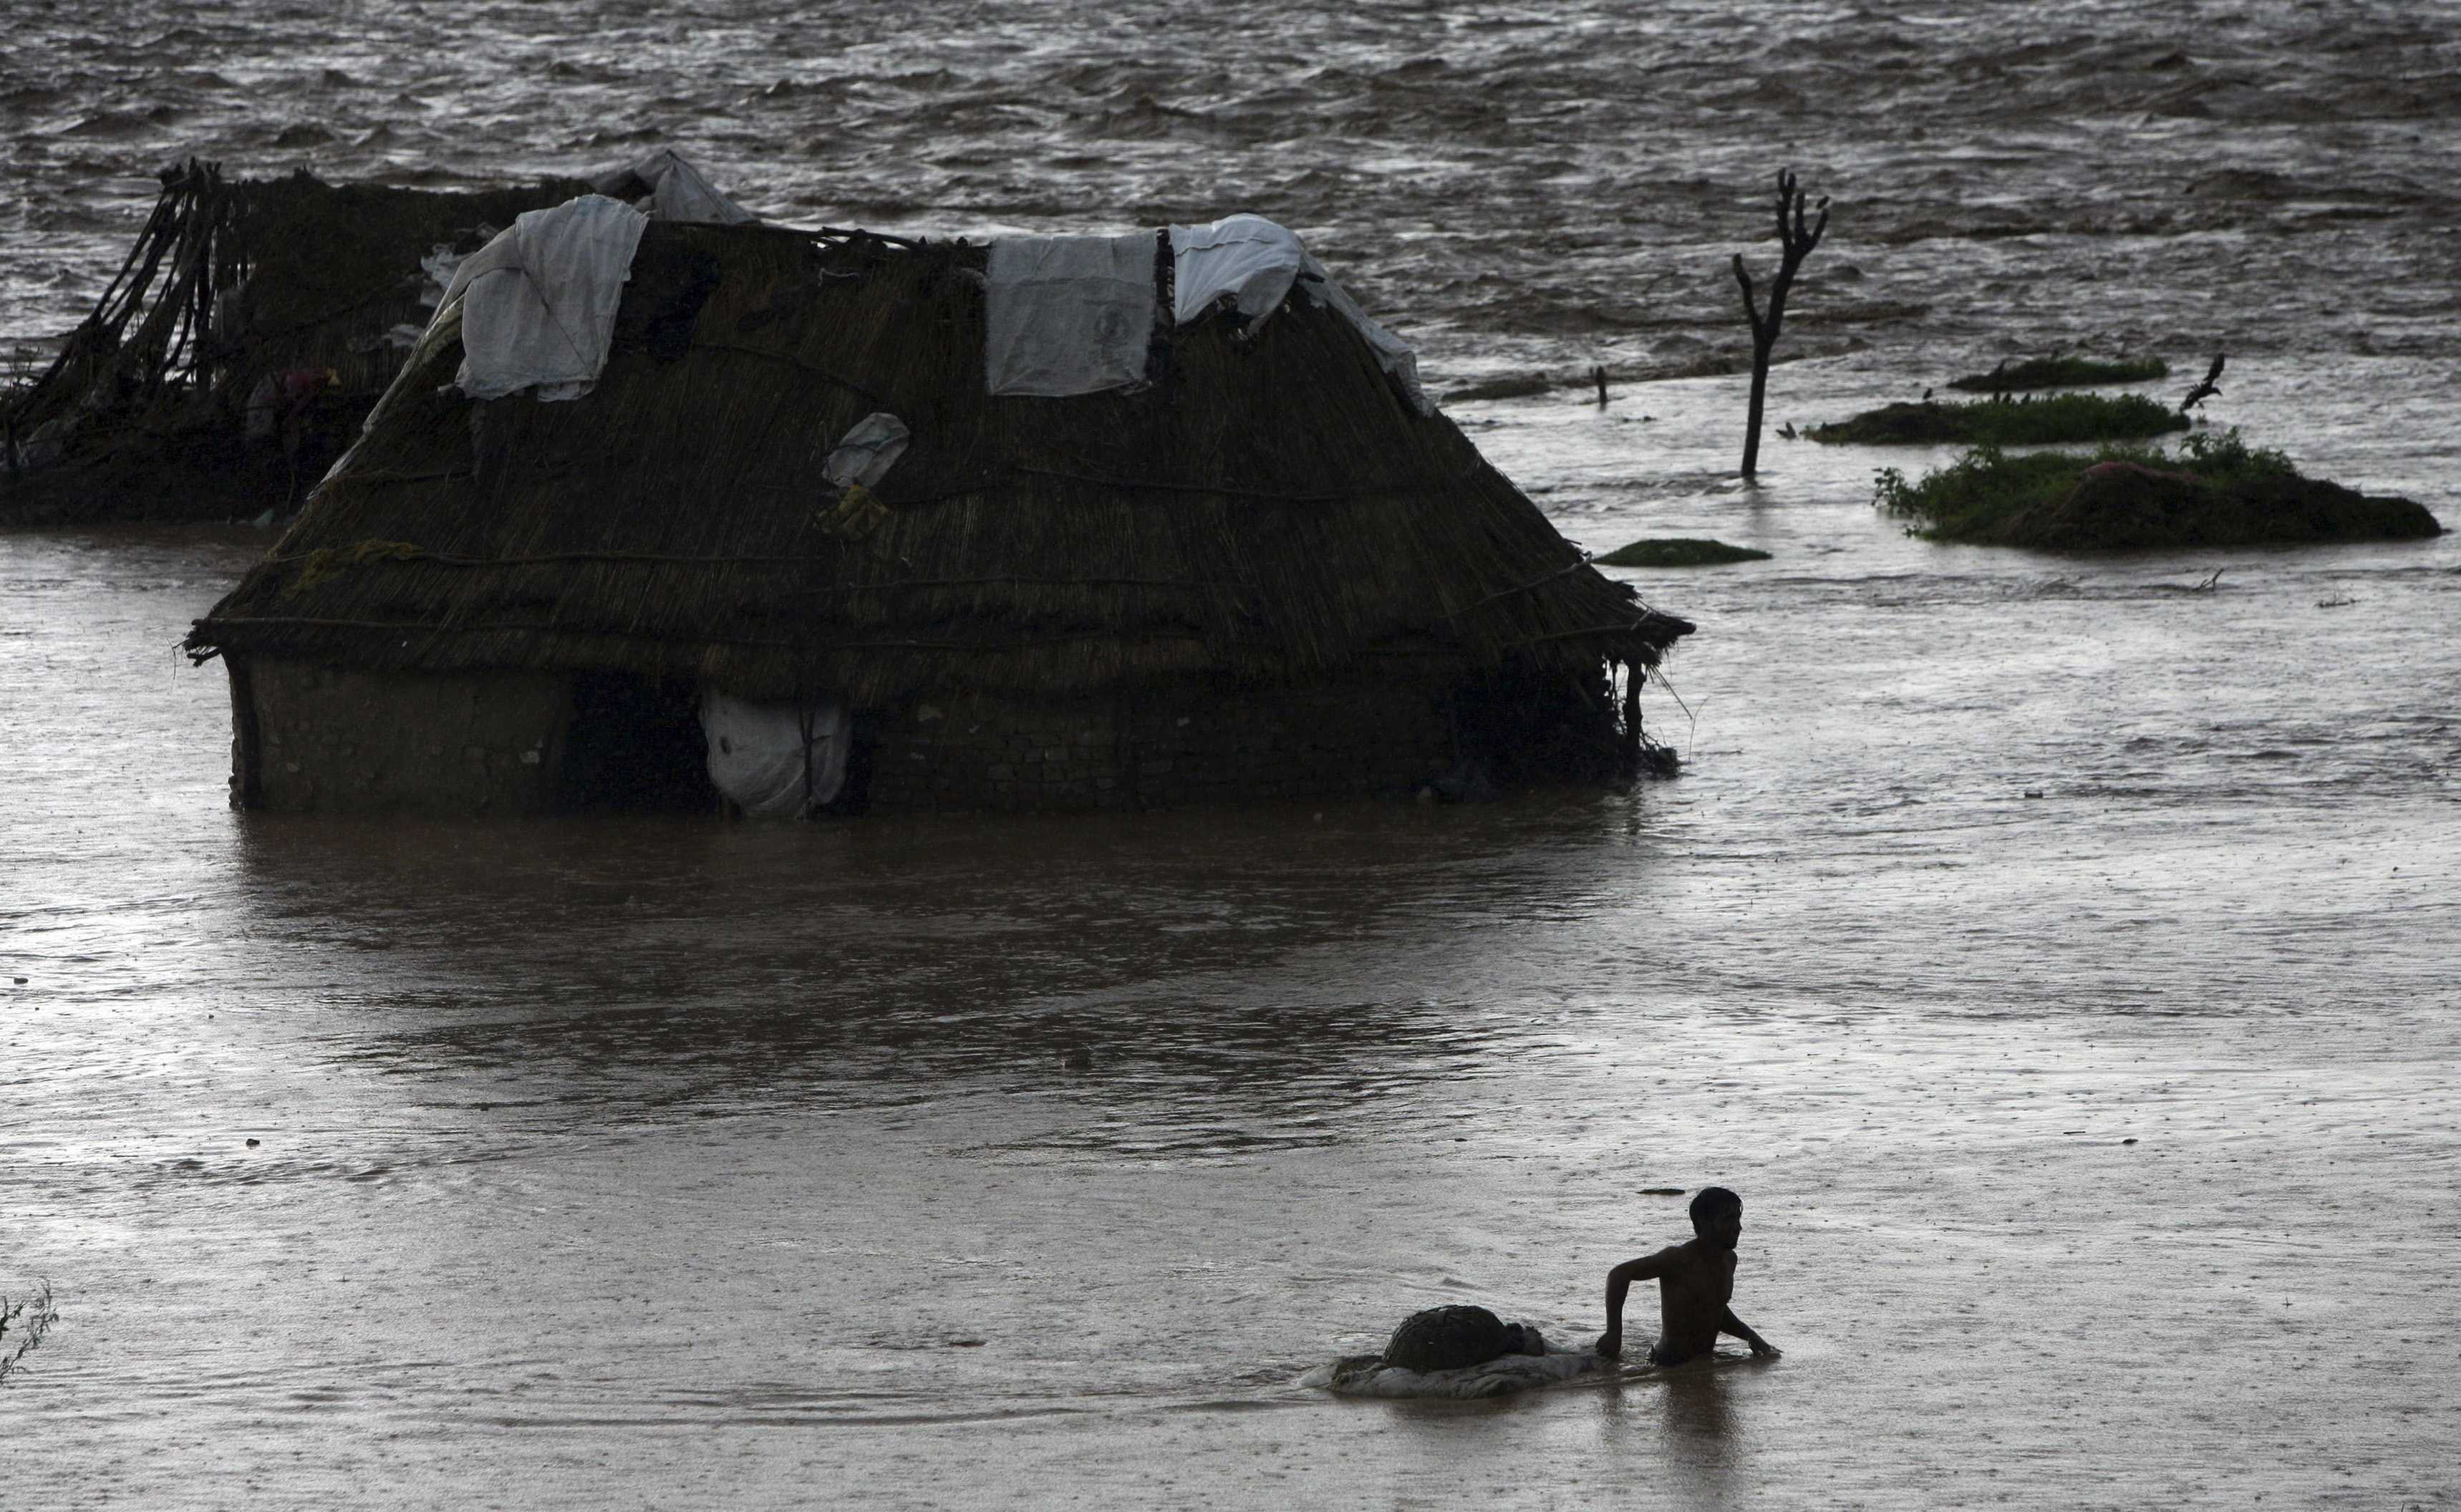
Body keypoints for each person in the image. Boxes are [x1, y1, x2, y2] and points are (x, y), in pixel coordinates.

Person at [1594, 1186, 1780, 1366]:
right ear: (1704, 1222)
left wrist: (1751, 1336)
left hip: (1702, 1364)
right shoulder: (1678, 1259)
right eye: (1728, 1220)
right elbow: (1619, 1274)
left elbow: (1716, 1309)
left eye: (1737, 1219)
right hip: (1666, 1363)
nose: (1737, 1227)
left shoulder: (1729, 1260)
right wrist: (1614, 1332)